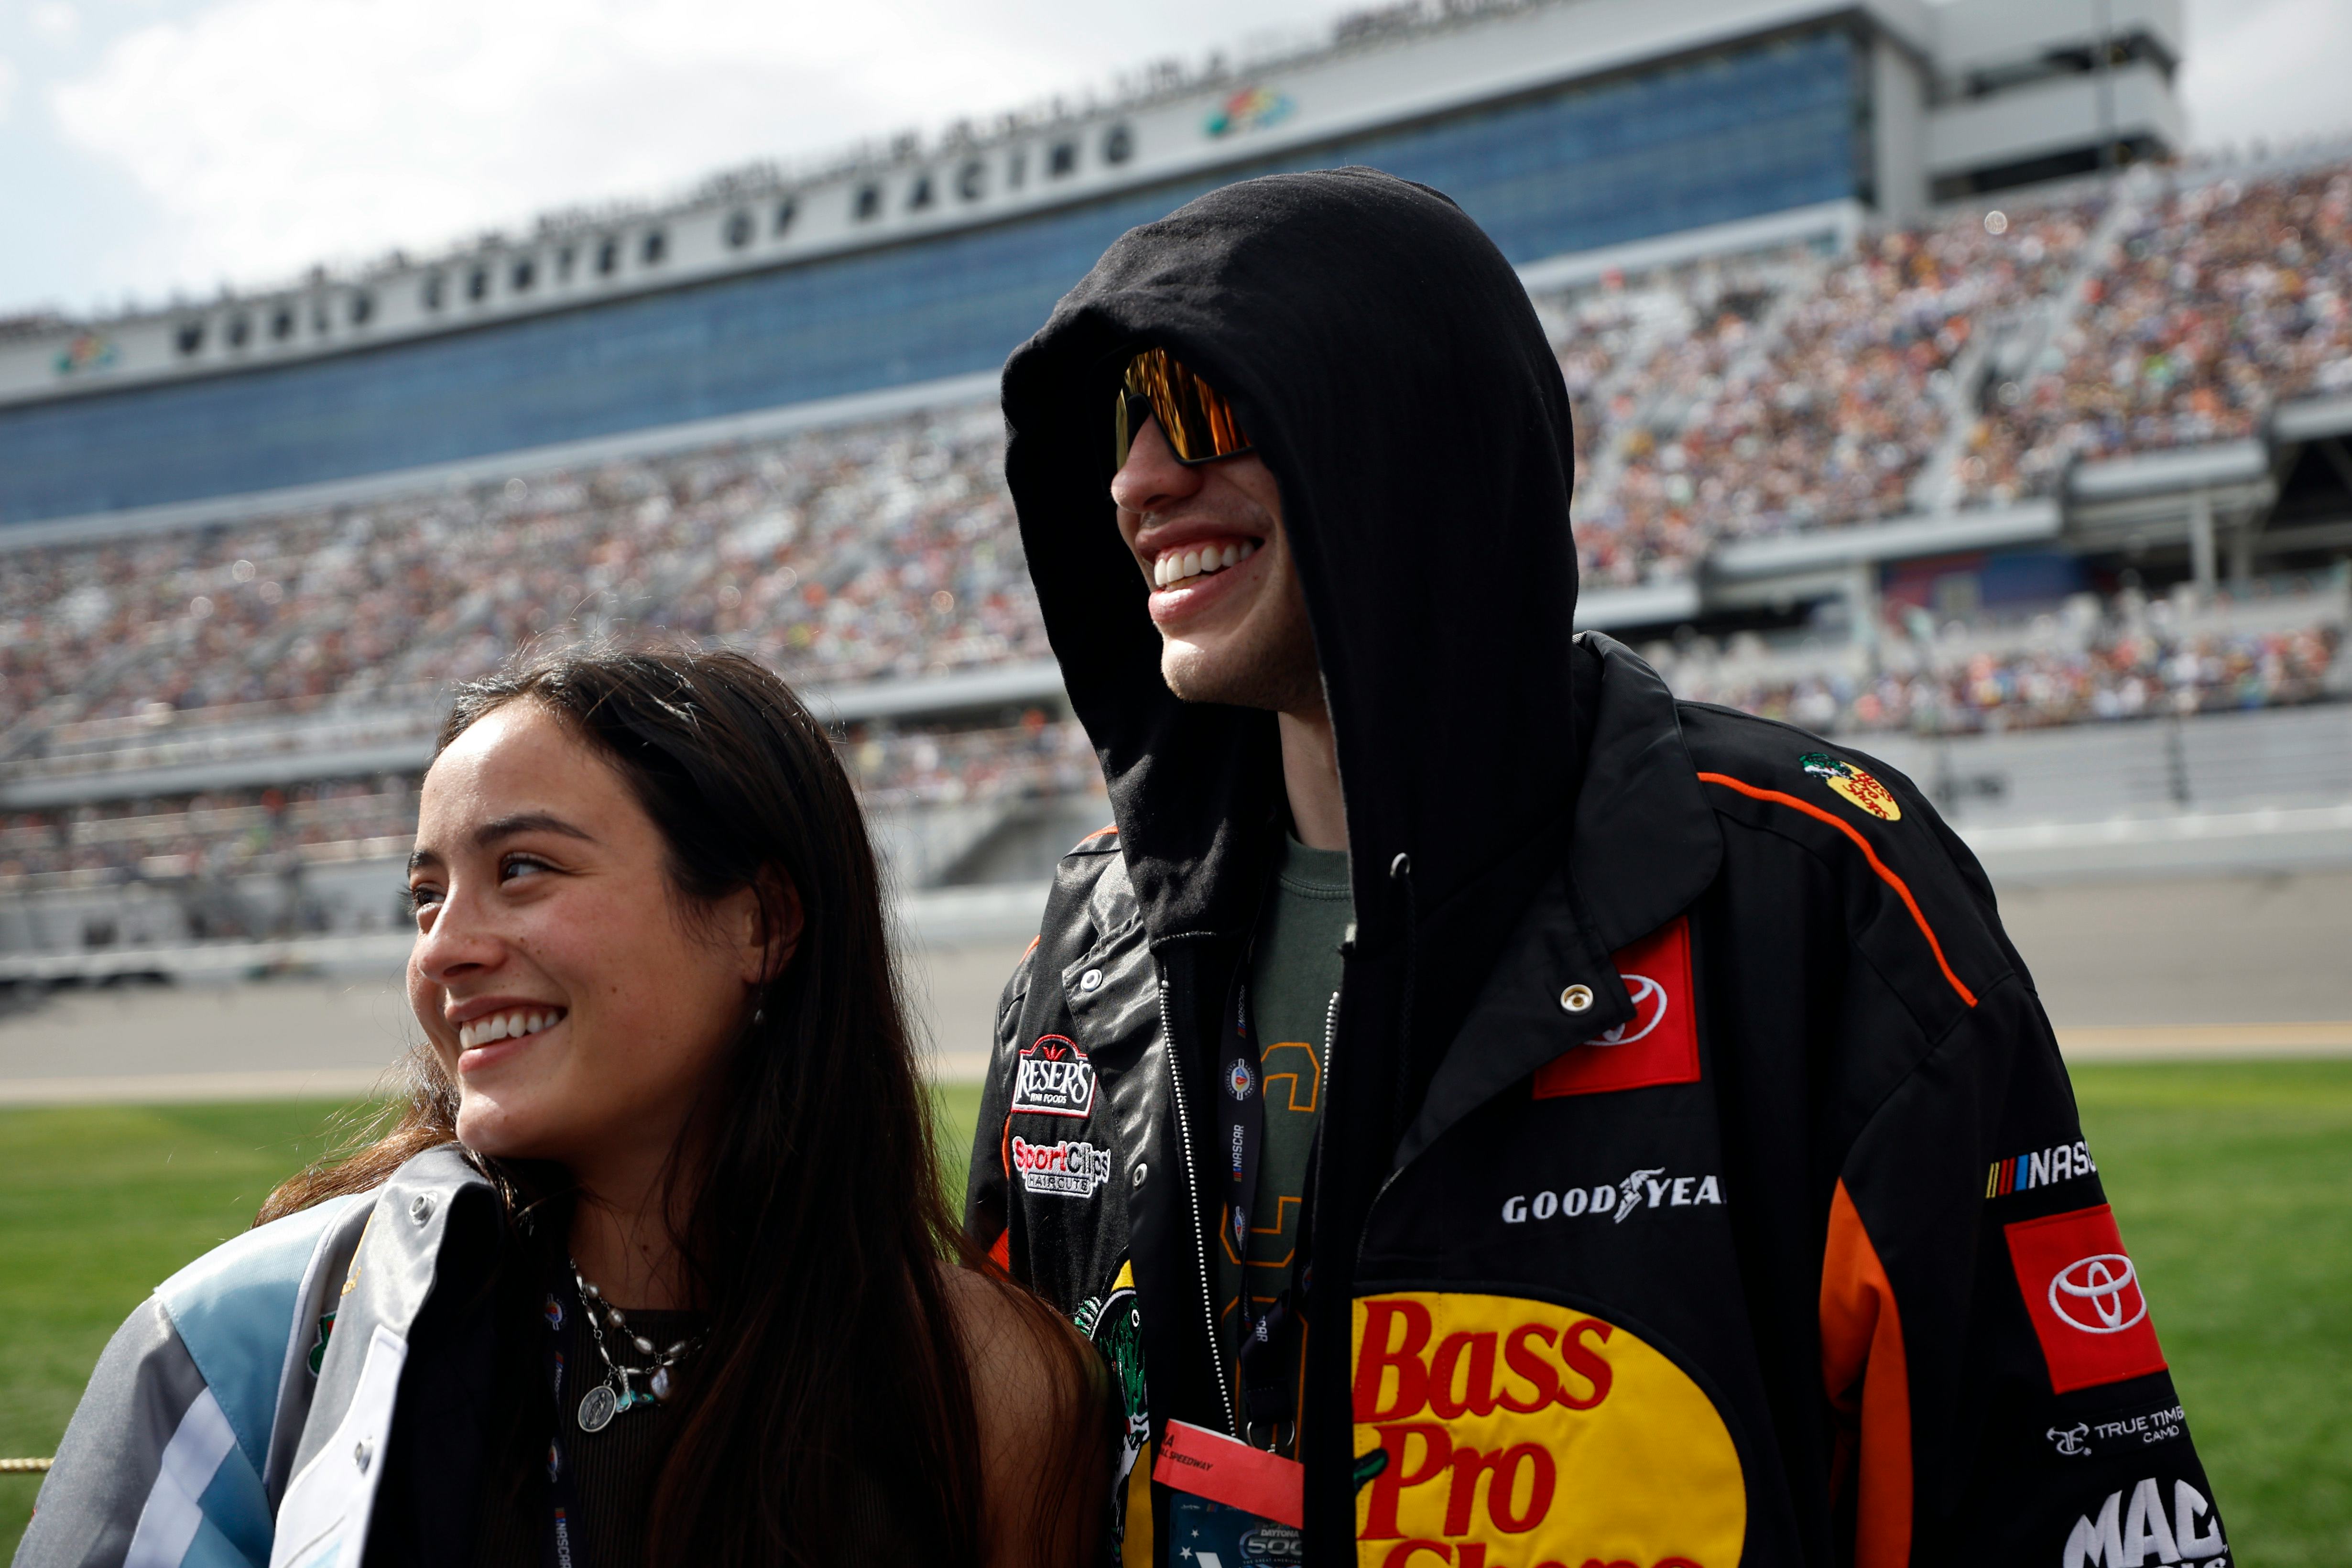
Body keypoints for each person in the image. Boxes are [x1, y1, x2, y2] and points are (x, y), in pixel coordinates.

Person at [964, 168, 2231, 1567]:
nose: (1140, 480)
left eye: (1200, 407)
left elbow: (2049, 1503)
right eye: (1122, 426)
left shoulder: (1817, 888)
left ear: (1411, 433)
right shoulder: (1089, 938)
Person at [23, 643, 1104, 1568]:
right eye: (427, 893)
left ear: (762, 923)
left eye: (525, 867)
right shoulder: (259, 1341)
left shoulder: (989, 1382)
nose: (443, 947)